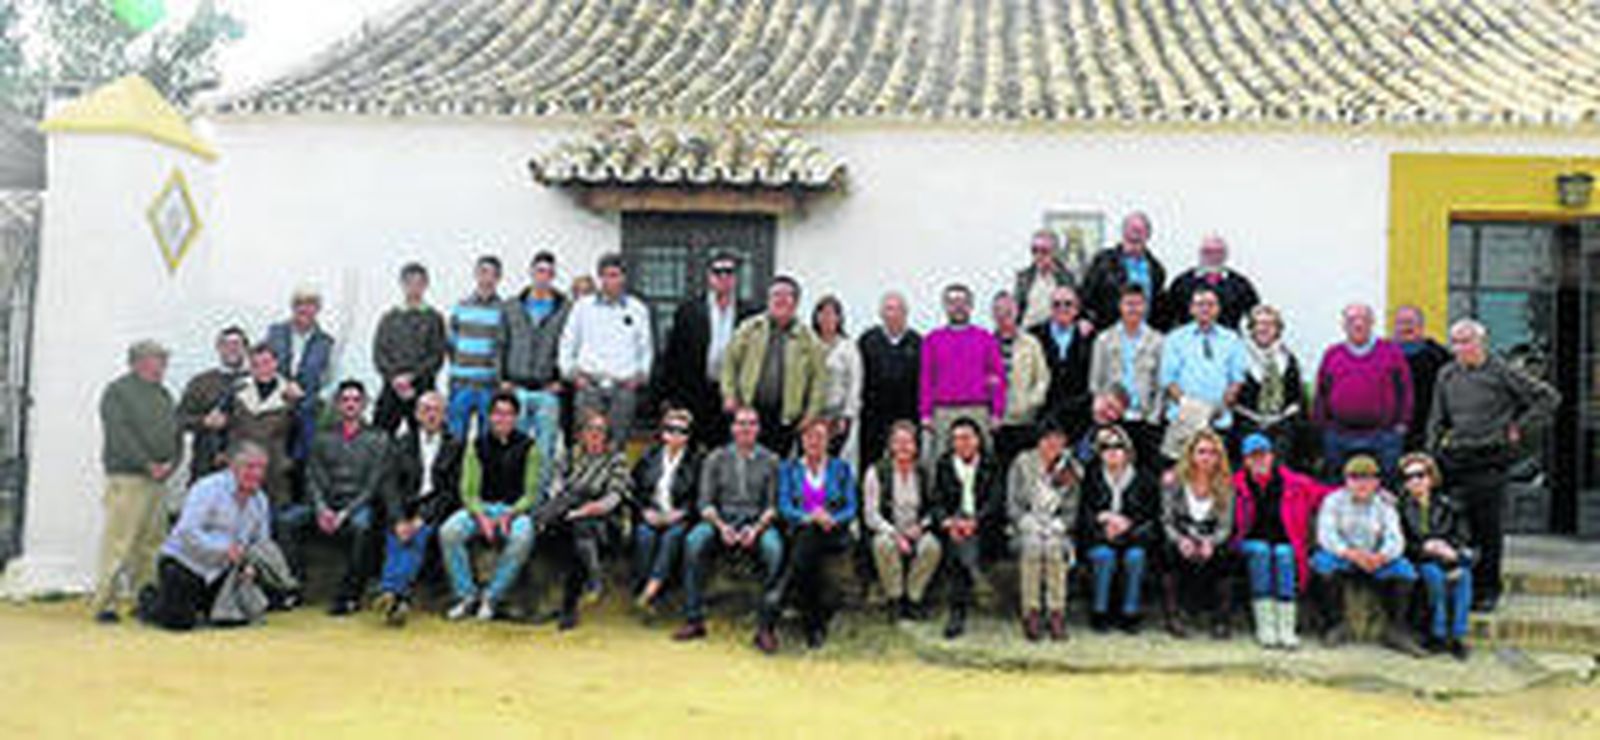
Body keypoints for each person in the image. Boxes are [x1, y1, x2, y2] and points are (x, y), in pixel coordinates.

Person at [1427, 318, 1559, 612]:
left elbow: (1547, 398)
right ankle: (1451, 582)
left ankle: (1487, 590)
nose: (1459, 348)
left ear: (1480, 343)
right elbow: (1437, 419)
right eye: (1455, 342)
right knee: (1447, 521)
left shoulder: (1501, 371)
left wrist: (1519, 426)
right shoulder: (1447, 374)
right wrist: (1430, 454)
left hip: (1490, 456)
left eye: (1465, 341)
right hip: (1456, 455)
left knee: (1486, 526)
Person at [146, 442, 289, 631]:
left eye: (261, 468)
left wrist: (253, 566)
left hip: (224, 572)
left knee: (230, 621)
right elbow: (186, 532)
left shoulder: (261, 500)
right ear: (233, 467)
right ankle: (150, 599)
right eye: (250, 466)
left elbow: (261, 542)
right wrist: (223, 550)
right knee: (178, 624)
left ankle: (202, 604)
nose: (256, 473)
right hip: (185, 564)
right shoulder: (207, 488)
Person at [676, 407, 784, 650]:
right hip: (720, 520)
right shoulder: (715, 458)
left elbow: (773, 506)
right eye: (741, 423)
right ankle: (693, 619)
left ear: (758, 429)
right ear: (732, 428)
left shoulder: (771, 460)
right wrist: (722, 527)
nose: (746, 429)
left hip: (757, 522)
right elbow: (705, 503)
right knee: (694, 541)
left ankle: (766, 627)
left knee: (774, 549)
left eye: (752, 424)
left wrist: (755, 529)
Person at [438, 392, 549, 621]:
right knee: (449, 531)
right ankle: (466, 595)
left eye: (508, 414)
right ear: (489, 417)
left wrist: (509, 515)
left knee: (522, 537)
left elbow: (531, 493)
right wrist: (481, 517)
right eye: (498, 413)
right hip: (481, 508)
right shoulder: (477, 445)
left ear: (516, 418)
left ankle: (491, 597)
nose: (502, 419)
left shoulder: (530, 448)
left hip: (515, 511)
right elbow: (467, 491)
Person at [92, 340, 180, 623]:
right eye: (159, 359)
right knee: (120, 541)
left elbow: (175, 432)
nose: (163, 365)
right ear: (139, 361)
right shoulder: (117, 392)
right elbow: (120, 434)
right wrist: (147, 464)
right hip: (129, 478)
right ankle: (107, 602)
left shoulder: (164, 394)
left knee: (152, 543)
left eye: (164, 360)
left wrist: (172, 463)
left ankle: (145, 599)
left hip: (158, 482)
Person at [1309, 455, 1424, 656]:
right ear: (1346, 481)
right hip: (1344, 556)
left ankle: (1395, 630)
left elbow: (1395, 538)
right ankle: (1334, 624)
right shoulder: (1333, 501)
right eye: (1355, 478)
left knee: (1406, 572)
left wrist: (1381, 556)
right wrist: (1350, 554)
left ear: (1376, 482)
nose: (1361, 484)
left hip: (1375, 558)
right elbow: (1326, 536)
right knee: (1322, 565)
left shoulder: (1385, 504)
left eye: (1367, 478)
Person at [294, 380, 388, 616]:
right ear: (337, 404)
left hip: (356, 506)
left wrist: (345, 513)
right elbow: (312, 476)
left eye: (356, 400)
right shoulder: (322, 437)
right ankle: (291, 587)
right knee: (285, 521)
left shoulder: (378, 439)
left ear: (364, 405)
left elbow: (372, 485)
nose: (350, 405)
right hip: (325, 504)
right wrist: (322, 509)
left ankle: (349, 596)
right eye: (345, 400)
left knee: (363, 527)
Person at [372, 391, 463, 626]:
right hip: (405, 505)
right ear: (416, 414)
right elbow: (389, 484)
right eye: (425, 409)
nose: (431, 415)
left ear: (445, 414)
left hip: (436, 507)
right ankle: (397, 597)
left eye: (436, 409)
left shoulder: (456, 446)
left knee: (418, 536)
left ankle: (392, 591)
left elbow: (450, 491)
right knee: (396, 534)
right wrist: (399, 518)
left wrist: (421, 518)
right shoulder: (401, 443)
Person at [1230, 433, 1329, 650]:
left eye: (1263, 455)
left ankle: (1286, 627)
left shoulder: (1295, 482)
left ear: (1272, 456)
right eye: (1252, 457)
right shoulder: (1234, 484)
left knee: (1284, 554)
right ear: (1245, 460)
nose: (1259, 461)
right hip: (1248, 543)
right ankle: (1265, 625)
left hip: (1286, 542)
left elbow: (1327, 494)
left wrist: (1373, 491)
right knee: (1261, 551)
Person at [653, 251, 759, 450]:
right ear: (709, 277)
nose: (723, 278)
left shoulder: (750, 315)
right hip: (694, 393)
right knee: (692, 451)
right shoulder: (688, 311)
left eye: (729, 272)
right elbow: (673, 357)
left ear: (736, 278)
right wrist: (669, 400)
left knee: (726, 452)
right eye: (718, 272)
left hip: (731, 395)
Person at [537, 409, 629, 630]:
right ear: (581, 433)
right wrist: (569, 510)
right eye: (591, 429)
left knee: (581, 527)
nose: (595, 435)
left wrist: (585, 510)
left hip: (603, 520)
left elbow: (614, 497)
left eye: (601, 430)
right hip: (569, 516)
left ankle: (576, 598)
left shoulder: (616, 459)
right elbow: (556, 488)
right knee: (571, 527)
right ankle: (585, 582)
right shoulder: (570, 455)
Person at [720, 276, 827, 456]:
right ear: (768, 299)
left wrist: (810, 415)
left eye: (787, 296)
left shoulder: (808, 339)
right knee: (744, 460)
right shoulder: (749, 329)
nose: (781, 300)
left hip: (785, 416)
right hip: (749, 410)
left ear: (796, 302)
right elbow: (729, 364)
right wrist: (729, 395)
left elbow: (819, 380)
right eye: (776, 295)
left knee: (777, 466)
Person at [777, 419, 859, 649]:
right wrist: (809, 516)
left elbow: (851, 507)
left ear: (828, 441)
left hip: (834, 531)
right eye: (809, 436)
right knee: (808, 540)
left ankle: (786, 593)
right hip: (803, 529)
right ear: (802, 441)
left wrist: (832, 518)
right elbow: (784, 506)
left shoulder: (841, 468)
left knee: (806, 551)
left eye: (820, 437)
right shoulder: (789, 468)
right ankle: (815, 624)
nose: (814, 441)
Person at [559, 252, 653, 444]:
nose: (611, 280)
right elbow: (567, 343)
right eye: (607, 275)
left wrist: (641, 375)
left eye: (616, 275)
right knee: (587, 444)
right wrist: (571, 373)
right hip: (590, 386)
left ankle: (613, 475)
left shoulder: (637, 309)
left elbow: (646, 348)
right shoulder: (583, 308)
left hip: (623, 388)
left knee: (617, 445)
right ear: (600, 278)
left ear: (624, 278)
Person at [1311, 303, 1413, 480]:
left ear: (1372, 322)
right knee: (1338, 486)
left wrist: (1401, 424)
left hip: (1383, 435)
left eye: (1363, 319)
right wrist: (1324, 427)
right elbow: (1321, 392)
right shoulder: (1332, 354)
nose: (1358, 324)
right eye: (1352, 320)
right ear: (1344, 325)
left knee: (1385, 489)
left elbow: (1405, 390)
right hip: (1340, 436)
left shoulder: (1391, 352)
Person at [1077, 425, 1159, 633]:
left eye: (1118, 446)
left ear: (1128, 451)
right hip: (1100, 537)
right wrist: (1101, 520)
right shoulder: (1092, 477)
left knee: (1135, 557)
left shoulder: (1144, 478)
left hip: (1135, 537)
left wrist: (1128, 525)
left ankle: (1130, 613)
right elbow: (1083, 514)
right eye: (1105, 447)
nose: (1112, 451)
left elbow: (1153, 517)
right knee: (1104, 556)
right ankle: (1100, 612)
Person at [930, 417, 1004, 639]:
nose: (962, 443)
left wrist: (976, 521)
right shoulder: (944, 464)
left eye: (966, 438)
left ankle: (958, 611)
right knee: (957, 541)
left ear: (978, 440)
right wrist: (948, 522)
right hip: (954, 522)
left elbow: (996, 501)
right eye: (956, 439)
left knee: (960, 544)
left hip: (984, 524)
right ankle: (963, 599)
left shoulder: (991, 463)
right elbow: (936, 501)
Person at [1007, 420, 1080, 642]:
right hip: (1026, 526)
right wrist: (1028, 523)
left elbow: (1072, 509)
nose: (1052, 445)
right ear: (1039, 441)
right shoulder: (1022, 463)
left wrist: (1059, 525)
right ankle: (1031, 611)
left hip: (1057, 528)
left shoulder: (1070, 468)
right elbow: (1012, 504)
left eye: (1058, 440)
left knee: (1054, 548)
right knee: (1033, 546)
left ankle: (1056, 611)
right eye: (1047, 439)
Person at [1159, 429, 1235, 639]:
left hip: (1210, 534)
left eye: (1212, 452)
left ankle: (1221, 620)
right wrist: (1180, 539)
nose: (1206, 457)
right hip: (1182, 532)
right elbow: (1166, 520)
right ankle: (1175, 617)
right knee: (1169, 553)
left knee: (1225, 556)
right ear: (1191, 454)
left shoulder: (1226, 485)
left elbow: (1225, 526)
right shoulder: (1174, 481)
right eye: (1201, 452)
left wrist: (1211, 542)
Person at [1157, 287, 1248, 461]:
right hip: (1183, 419)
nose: (1205, 309)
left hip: (1219, 419)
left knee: (1215, 477)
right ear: (1191, 309)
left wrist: (1216, 409)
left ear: (1218, 309)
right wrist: (1193, 411)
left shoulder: (1232, 339)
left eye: (1210, 304)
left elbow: (1237, 379)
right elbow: (1168, 379)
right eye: (1199, 304)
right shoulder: (1175, 338)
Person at [1397, 452, 1474, 659]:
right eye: (1408, 477)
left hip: (1447, 558)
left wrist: (1451, 552)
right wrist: (1425, 548)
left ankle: (1458, 636)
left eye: (1420, 475)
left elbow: (1463, 536)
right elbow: (1401, 544)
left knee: (1464, 576)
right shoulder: (1399, 508)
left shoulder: (1448, 505)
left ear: (1431, 477)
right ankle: (1438, 634)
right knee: (1434, 576)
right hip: (1420, 560)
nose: (1415, 481)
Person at [863, 421, 941, 621]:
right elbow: (871, 514)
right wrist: (895, 535)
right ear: (890, 445)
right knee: (882, 544)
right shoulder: (876, 472)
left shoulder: (923, 473)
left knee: (932, 546)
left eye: (908, 442)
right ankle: (895, 598)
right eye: (898, 442)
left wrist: (920, 527)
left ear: (916, 446)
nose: (904, 447)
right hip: (889, 529)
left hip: (916, 529)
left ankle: (914, 598)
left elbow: (935, 507)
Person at [920, 283, 1005, 455]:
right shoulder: (932, 340)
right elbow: (926, 379)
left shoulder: (985, 338)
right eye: (952, 302)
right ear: (945, 306)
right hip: (943, 411)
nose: (958, 307)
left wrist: (997, 411)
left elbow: (997, 376)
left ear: (971, 306)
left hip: (978, 409)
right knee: (942, 459)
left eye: (963, 302)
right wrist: (926, 413)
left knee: (982, 460)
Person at [502, 250, 571, 460]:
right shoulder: (512, 306)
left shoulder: (565, 308)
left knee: (545, 448)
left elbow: (570, 347)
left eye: (549, 272)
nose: (543, 277)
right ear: (531, 272)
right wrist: (503, 379)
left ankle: (541, 493)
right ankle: (515, 492)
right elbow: (500, 344)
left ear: (553, 276)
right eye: (539, 271)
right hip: (517, 388)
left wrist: (562, 380)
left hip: (548, 390)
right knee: (514, 446)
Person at [629, 408, 700, 609]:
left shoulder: (696, 461)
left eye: (682, 431)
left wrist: (682, 513)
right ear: (662, 433)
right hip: (651, 514)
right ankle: (645, 587)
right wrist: (644, 511)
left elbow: (699, 497)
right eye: (670, 429)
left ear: (688, 436)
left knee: (672, 537)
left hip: (679, 516)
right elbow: (634, 490)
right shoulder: (648, 457)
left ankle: (652, 589)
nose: (675, 435)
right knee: (644, 535)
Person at [264, 287, 335, 487]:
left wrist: (313, 396)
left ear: (318, 310)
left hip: (308, 408)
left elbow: (330, 378)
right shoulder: (275, 332)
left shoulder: (326, 342)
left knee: (306, 457)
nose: (305, 310)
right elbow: (263, 364)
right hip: (276, 402)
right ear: (293, 307)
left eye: (311, 305)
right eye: (300, 304)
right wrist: (283, 386)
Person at [1089, 284, 1164, 468]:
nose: (1133, 308)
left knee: (1143, 471)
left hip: (1144, 419)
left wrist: (1153, 417)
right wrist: (1103, 414)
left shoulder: (1158, 341)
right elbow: (1095, 381)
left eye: (1138, 304)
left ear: (1145, 307)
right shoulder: (1104, 339)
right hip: (1112, 418)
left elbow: (1162, 384)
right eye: (1128, 303)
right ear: (1120, 306)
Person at [372, 262, 448, 436]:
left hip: (422, 388)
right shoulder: (389, 318)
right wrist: (395, 378)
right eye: (409, 282)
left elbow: (436, 356)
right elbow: (380, 354)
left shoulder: (434, 318)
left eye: (419, 283)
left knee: (423, 438)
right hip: (392, 387)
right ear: (402, 284)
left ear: (425, 285)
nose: (414, 287)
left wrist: (412, 377)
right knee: (380, 436)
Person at [228, 343, 301, 515]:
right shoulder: (238, 389)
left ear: (276, 363)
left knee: (272, 516)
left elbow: (301, 433)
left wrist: (289, 461)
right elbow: (227, 425)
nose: (262, 369)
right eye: (256, 364)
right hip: (241, 466)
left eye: (267, 362)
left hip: (274, 467)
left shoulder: (291, 394)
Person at [1235, 305, 1308, 468]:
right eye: (1259, 324)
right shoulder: (1238, 357)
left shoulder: (1287, 358)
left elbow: (1296, 397)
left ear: (1278, 329)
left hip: (1280, 430)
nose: (1264, 328)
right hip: (1247, 426)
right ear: (1251, 329)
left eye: (1270, 324)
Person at [857, 291, 922, 472]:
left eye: (898, 309)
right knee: (871, 462)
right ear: (881, 313)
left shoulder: (917, 341)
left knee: (906, 460)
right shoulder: (867, 340)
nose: (893, 314)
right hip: (873, 415)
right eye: (888, 309)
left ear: (906, 313)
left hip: (907, 414)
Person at [175, 326, 249, 482]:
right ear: (218, 348)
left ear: (245, 348)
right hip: (207, 466)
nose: (232, 349)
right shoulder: (200, 382)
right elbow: (179, 419)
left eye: (237, 344)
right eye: (226, 344)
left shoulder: (257, 381)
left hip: (246, 468)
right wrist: (205, 421)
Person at [447, 256, 508, 438]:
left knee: (487, 440)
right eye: (483, 272)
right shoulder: (461, 306)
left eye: (492, 274)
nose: (487, 278)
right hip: (461, 383)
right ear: (476, 274)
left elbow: (503, 346)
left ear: (498, 278)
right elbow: (451, 343)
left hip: (488, 385)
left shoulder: (504, 310)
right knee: (455, 438)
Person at [990, 291, 1050, 467]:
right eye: (999, 310)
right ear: (993, 314)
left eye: (1008, 309)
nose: (1004, 314)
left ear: (1017, 311)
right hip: (996, 422)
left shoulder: (1031, 343)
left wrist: (1031, 401)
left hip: (1026, 421)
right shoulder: (986, 342)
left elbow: (1042, 378)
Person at [1029, 284, 1095, 438]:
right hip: (1044, 413)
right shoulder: (1034, 335)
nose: (1062, 308)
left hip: (1079, 414)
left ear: (1077, 309)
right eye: (1056, 304)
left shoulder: (1090, 336)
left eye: (1068, 304)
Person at [1082, 211, 1168, 330]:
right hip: (1109, 332)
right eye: (1131, 229)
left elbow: (1160, 308)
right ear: (1123, 232)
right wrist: (1086, 319)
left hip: (1144, 336)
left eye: (1140, 230)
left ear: (1148, 235)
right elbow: (1085, 295)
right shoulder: (1103, 261)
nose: (1135, 234)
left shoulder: (1156, 269)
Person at [1159, 234, 1260, 330]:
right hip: (1188, 343)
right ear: (1200, 254)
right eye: (1208, 252)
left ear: (1225, 255)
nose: (1213, 256)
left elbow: (1255, 316)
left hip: (1229, 343)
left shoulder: (1240, 284)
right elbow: (1168, 316)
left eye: (1218, 252)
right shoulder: (1182, 283)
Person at [1392, 305, 1453, 454]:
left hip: (1428, 429)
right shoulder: (1383, 354)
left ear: (1421, 325)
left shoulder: (1439, 356)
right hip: (1390, 431)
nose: (1406, 327)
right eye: (1401, 323)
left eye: (1410, 322)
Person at [814, 295, 863, 468]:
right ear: (817, 317)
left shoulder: (848, 347)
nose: (827, 318)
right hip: (813, 415)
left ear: (839, 318)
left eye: (832, 314)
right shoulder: (809, 344)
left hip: (838, 415)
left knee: (835, 459)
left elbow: (855, 383)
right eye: (823, 313)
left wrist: (847, 415)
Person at [1014, 228, 1075, 328]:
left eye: (1044, 251)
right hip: (1028, 333)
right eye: (1034, 251)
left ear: (1055, 252)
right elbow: (1017, 311)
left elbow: (1072, 309)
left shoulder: (1066, 278)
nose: (1038, 256)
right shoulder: (1024, 278)